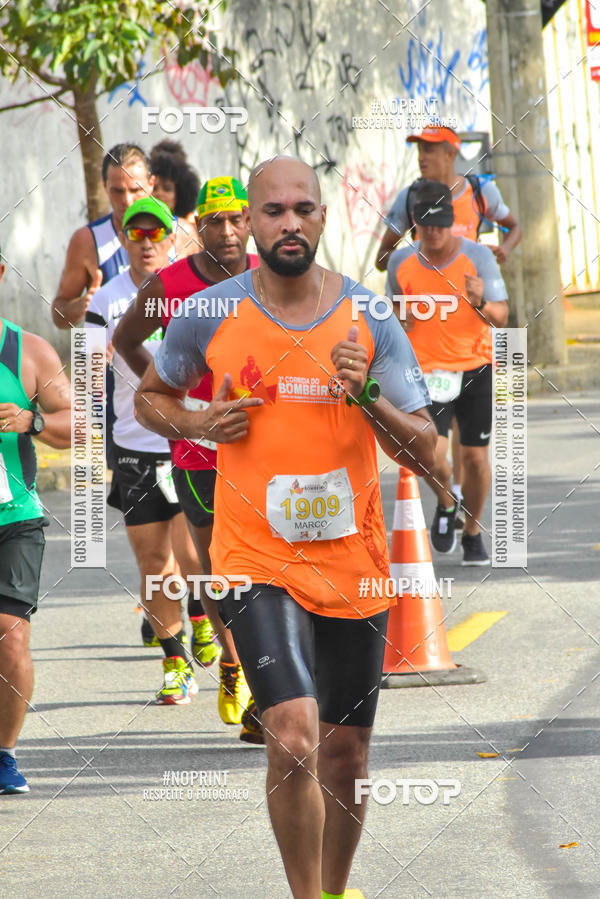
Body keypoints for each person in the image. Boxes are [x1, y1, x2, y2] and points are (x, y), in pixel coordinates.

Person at [134, 156, 435, 898]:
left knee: (346, 755)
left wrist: (367, 395)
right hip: (252, 556)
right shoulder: (208, 313)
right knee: (294, 737)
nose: (288, 222)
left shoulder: (369, 315)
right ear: (251, 225)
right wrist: (200, 418)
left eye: (303, 209)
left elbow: (423, 449)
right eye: (273, 211)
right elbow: (150, 397)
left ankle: (334, 888)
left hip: (352, 561)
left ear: (323, 219)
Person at [114, 176, 262, 743]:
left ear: (248, 223)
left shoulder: (266, 275)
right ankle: (234, 662)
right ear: (196, 227)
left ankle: (264, 680)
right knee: (215, 568)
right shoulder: (170, 284)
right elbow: (126, 341)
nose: (226, 231)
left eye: (236, 219)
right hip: (196, 450)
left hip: (260, 446)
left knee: (267, 564)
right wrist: (169, 384)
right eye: (215, 221)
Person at [85, 196, 211, 705]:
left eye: (155, 235)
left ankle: (203, 618)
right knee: (154, 564)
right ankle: (175, 661)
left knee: (194, 558)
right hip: (136, 446)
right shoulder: (107, 300)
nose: (145, 244)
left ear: (171, 239)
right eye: (135, 236)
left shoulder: (190, 289)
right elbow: (92, 368)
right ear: (124, 241)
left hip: (190, 442)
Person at [387, 180, 509, 566]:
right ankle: (445, 500)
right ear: (415, 226)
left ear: (452, 222)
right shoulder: (400, 262)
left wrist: (481, 302)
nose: (433, 233)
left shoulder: (478, 258)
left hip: (474, 368)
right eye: (425, 226)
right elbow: (392, 317)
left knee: (474, 460)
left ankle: (472, 533)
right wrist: (398, 318)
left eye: (440, 225)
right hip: (424, 373)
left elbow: (502, 318)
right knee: (428, 456)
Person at [0, 260, 71, 793]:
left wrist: (34, 421)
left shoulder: (27, 352)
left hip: (14, 518)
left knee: (10, 638)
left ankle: (4, 754)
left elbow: (78, 424)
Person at [375, 125, 522, 272]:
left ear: (450, 154)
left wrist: (504, 249)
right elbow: (381, 260)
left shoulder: (481, 190)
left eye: (428, 150)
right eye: (419, 150)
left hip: (469, 292)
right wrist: (418, 257)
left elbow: (514, 228)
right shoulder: (409, 197)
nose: (421, 158)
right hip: (425, 292)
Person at [52, 143, 154, 329]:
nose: (127, 201)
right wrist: (82, 305)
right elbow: (59, 316)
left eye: (135, 190)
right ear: (104, 186)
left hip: (170, 356)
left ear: (151, 184)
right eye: (117, 191)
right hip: (107, 352)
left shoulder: (181, 235)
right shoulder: (86, 240)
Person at [150, 140, 202, 258]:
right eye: (154, 188)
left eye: (167, 189)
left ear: (179, 195)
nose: (159, 194)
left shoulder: (192, 232)